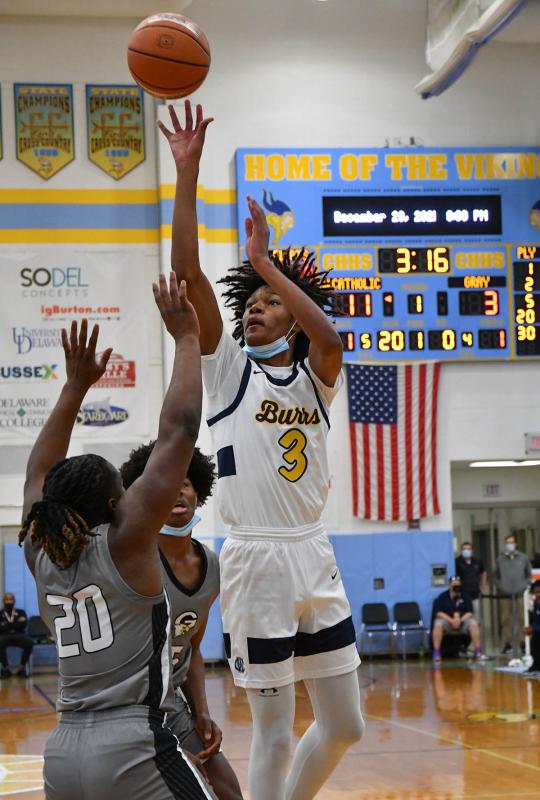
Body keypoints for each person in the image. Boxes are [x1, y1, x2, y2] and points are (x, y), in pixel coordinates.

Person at [158, 100, 364, 800]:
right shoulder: (227, 372)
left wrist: (265, 265)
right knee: (274, 731)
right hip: (255, 558)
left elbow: (330, 337)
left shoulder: (316, 377)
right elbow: (188, 274)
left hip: (314, 550)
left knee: (345, 724)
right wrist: (187, 173)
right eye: (250, 300)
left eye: (270, 302)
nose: (255, 306)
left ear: (292, 317)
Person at [19, 274, 217, 800]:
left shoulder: (39, 550)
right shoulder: (126, 541)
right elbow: (180, 429)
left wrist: (73, 388)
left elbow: (36, 473)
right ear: (116, 506)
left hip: (62, 752)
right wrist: (187, 337)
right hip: (132, 744)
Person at [121, 442, 243, 800]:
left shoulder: (212, 566)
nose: (177, 490)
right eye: (167, 482)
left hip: (171, 704)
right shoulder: (133, 560)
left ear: (198, 492)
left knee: (227, 789)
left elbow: (191, 648)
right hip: (129, 706)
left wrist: (201, 713)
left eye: (185, 482)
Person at [431, 576, 486, 662]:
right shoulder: (443, 596)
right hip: (448, 622)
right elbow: (439, 612)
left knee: (474, 623)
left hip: (462, 621)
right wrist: (451, 620)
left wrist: (460, 620)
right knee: (438, 623)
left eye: (458, 584)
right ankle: (436, 652)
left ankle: (478, 651)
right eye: (454, 585)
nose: (456, 587)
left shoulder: (465, 596)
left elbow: (470, 612)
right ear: (450, 586)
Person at [494, 533, 531, 655]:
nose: (510, 545)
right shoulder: (500, 560)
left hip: (521, 593)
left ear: (516, 544)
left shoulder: (523, 558)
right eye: (508, 542)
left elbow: (529, 574)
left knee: (522, 618)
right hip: (505, 594)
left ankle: (523, 643)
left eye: (512, 542)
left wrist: (525, 586)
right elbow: (495, 576)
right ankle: (507, 643)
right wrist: (501, 587)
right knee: (505, 619)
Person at [0, 592, 33, 677]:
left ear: (14, 601)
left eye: (10, 599)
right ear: (3, 601)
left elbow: (23, 625)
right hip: (4, 636)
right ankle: (6, 669)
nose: (9, 602)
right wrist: (16, 623)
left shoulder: (21, 612)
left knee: (29, 642)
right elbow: (1, 629)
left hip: (19, 635)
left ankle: (21, 668)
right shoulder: (0, 613)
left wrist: (5, 624)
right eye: (7, 600)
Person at [455, 541, 487, 618]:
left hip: (475, 594)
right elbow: (454, 578)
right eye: (464, 549)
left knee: (477, 616)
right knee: (465, 617)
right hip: (462, 595)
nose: (466, 551)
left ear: (472, 550)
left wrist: (483, 585)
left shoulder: (477, 561)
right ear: (461, 550)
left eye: (468, 549)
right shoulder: (457, 562)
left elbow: (483, 572)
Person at [524, 580, 540, 676]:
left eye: (539, 592)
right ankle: (536, 665)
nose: (538, 595)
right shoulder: (536, 603)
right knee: (534, 641)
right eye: (535, 593)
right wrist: (530, 628)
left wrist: (534, 628)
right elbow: (536, 620)